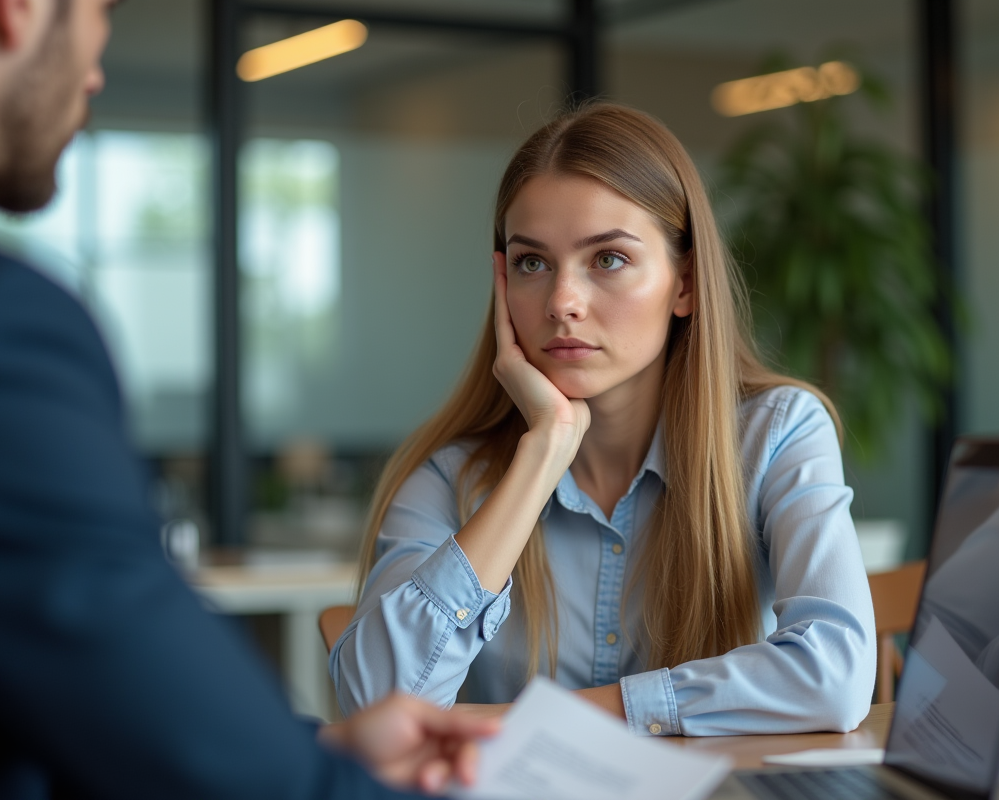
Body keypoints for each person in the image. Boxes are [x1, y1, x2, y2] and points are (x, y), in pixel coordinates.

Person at [0, 1, 496, 797]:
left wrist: (321, 749)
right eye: (100, 14)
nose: (95, 72)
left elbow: (61, 697)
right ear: (17, 10)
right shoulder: (6, 329)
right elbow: (132, 682)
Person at [332, 104, 877, 736]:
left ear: (686, 284)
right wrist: (542, 456)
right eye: (532, 263)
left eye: (609, 258)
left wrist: (543, 721)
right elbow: (374, 707)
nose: (562, 302)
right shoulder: (452, 474)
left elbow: (836, 676)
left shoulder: (775, 432)